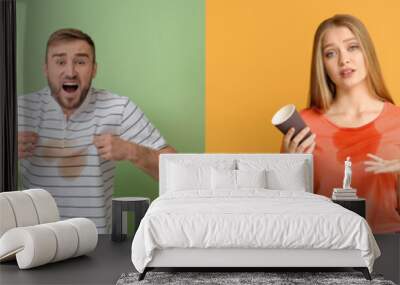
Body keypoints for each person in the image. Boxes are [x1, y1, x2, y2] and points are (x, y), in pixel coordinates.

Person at [17, 28, 176, 234]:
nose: (71, 71)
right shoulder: (18, 110)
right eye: (60, 61)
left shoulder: (119, 108)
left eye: (81, 62)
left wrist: (131, 151)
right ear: (45, 68)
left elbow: (179, 170)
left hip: (95, 243)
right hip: (32, 242)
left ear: (94, 69)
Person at [281, 14, 400, 234]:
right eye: (331, 53)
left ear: (367, 53)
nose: (343, 59)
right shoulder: (304, 126)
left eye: (352, 47)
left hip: (390, 246)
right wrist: (287, 169)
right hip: (325, 246)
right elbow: (287, 211)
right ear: (322, 64)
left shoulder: (398, 122)